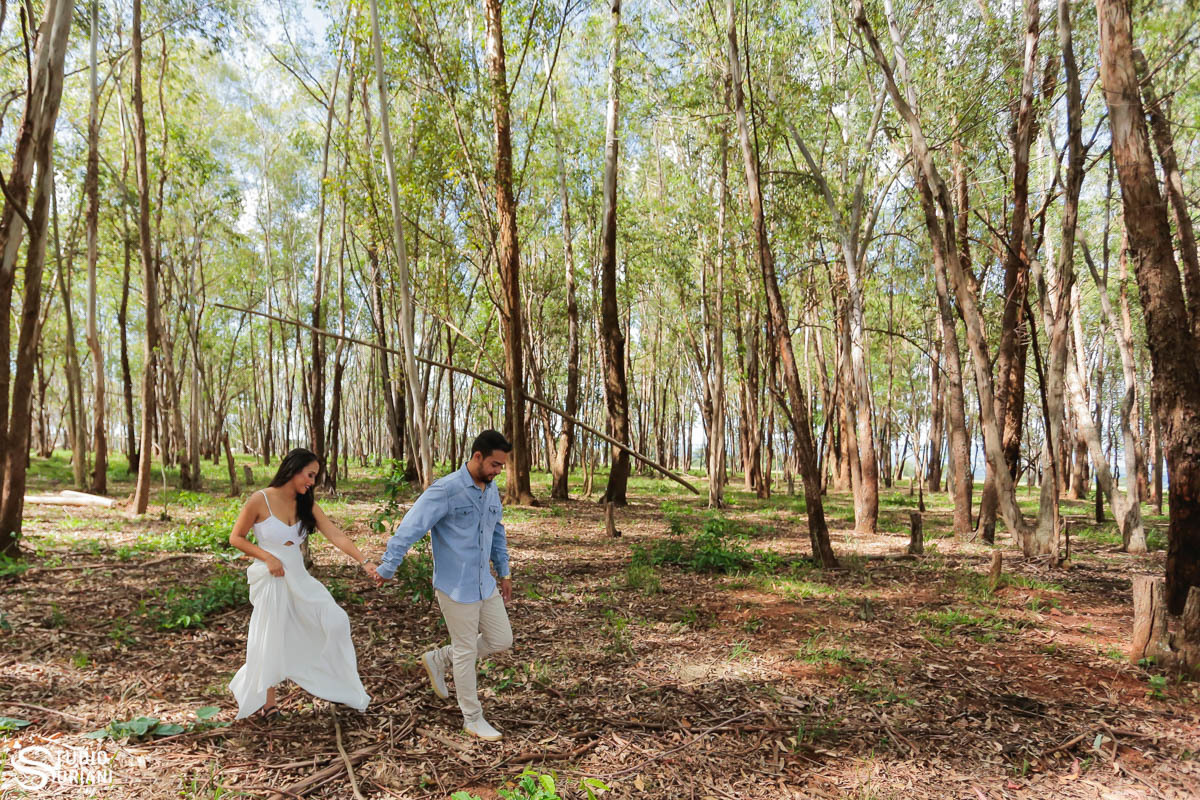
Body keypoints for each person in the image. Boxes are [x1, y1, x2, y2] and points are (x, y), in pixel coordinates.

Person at [374, 430, 514, 741]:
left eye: (501, 466)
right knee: (465, 650)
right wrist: (388, 566)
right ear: (477, 456)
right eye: (494, 464)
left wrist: (504, 573)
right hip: (456, 586)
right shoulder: (446, 490)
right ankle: (472, 718)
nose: (497, 471)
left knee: (501, 639)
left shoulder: (491, 490)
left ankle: (438, 658)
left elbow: (497, 532)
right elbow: (410, 528)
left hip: (484, 583)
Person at [228, 448, 375, 720]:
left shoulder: (307, 504)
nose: (312, 482)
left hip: (298, 575)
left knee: (335, 620)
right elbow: (236, 538)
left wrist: (364, 560)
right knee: (272, 635)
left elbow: (335, 535)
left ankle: (336, 684)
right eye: (309, 475)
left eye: (315, 477)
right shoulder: (260, 499)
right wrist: (268, 557)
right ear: (293, 469)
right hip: (272, 576)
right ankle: (268, 703)